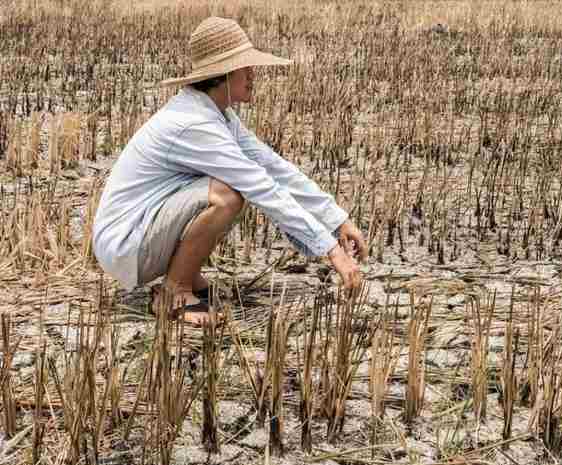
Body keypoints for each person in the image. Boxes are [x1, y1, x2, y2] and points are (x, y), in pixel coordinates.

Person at [92, 17, 367, 325]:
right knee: (227, 195)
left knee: (226, 187)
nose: (253, 74)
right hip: (127, 245)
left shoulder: (217, 114)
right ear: (222, 74)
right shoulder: (196, 124)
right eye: (245, 67)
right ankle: (175, 291)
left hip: (137, 232)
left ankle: (185, 275)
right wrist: (330, 250)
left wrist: (336, 219)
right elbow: (260, 186)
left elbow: (272, 166)